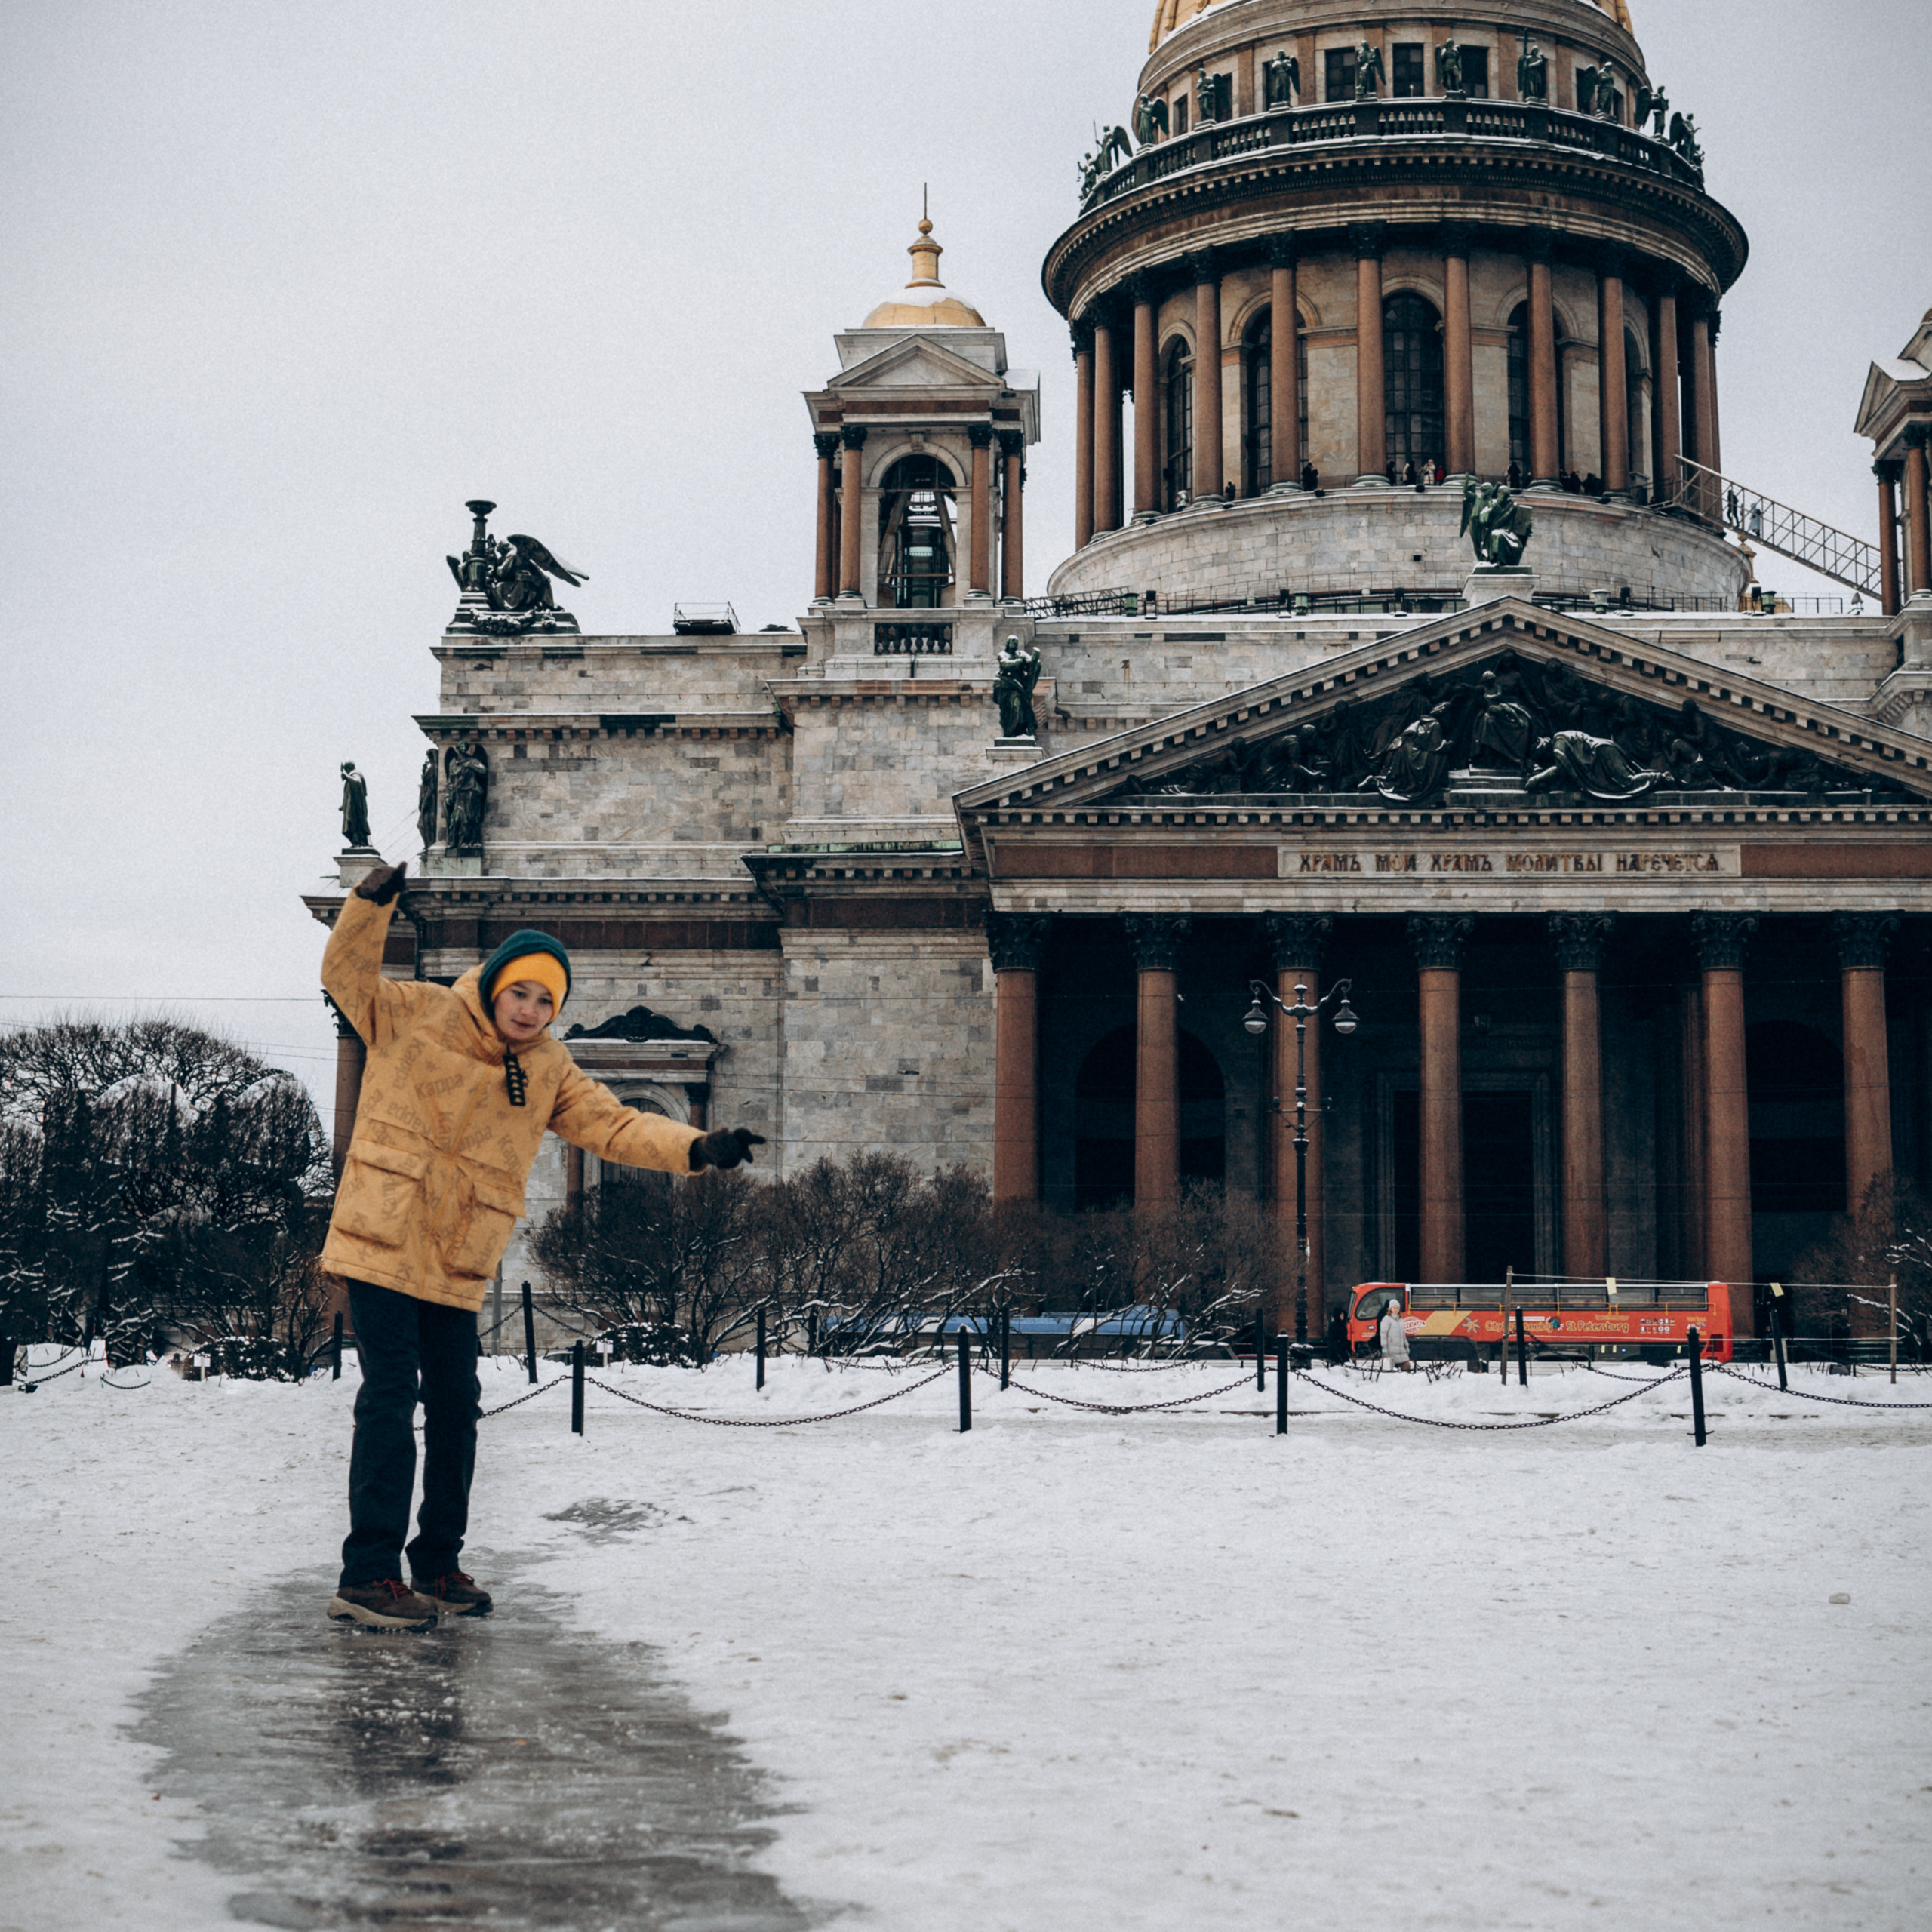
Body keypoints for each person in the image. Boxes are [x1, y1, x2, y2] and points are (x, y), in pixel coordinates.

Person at [319, 858, 765, 1631]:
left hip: (458, 1257)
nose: (529, 1010)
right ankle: (367, 1574)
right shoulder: (414, 1011)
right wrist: (367, 905)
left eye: (545, 1000)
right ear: (494, 984)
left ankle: (437, 1562)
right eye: (520, 991)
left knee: (458, 1407)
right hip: (383, 1235)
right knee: (390, 1399)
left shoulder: (549, 1065)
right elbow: (346, 977)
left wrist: (699, 1147)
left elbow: (617, 1126)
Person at [1379, 1297, 1413, 1371]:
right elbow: (1383, 1333)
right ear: (1390, 1309)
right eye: (1394, 1308)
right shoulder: (1386, 1319)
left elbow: (1403, 1335)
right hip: (1391, 1350)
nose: (1396, 1310)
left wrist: (1406, 1346)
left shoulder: (1400, 1320)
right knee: (1392, 1370)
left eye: (1397, 1308)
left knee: (1407, 1367)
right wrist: (1384, 1346)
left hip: (1401, 1350)